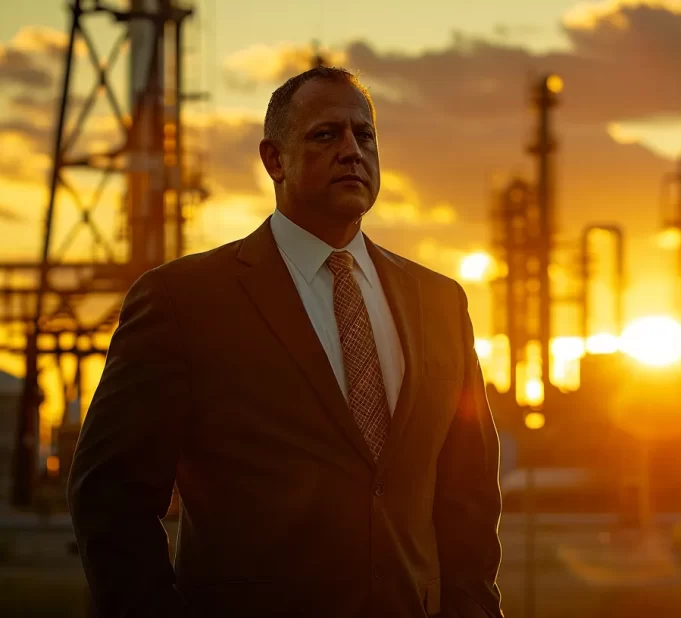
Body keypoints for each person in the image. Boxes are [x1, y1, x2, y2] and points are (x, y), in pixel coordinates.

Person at [67, 66, 504, 618]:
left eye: (363, 135)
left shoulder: (441, 302)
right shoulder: (184, 300)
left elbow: (468, 496)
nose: (351, 150)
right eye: (326, 135)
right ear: (274, 159)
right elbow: (111, 496)